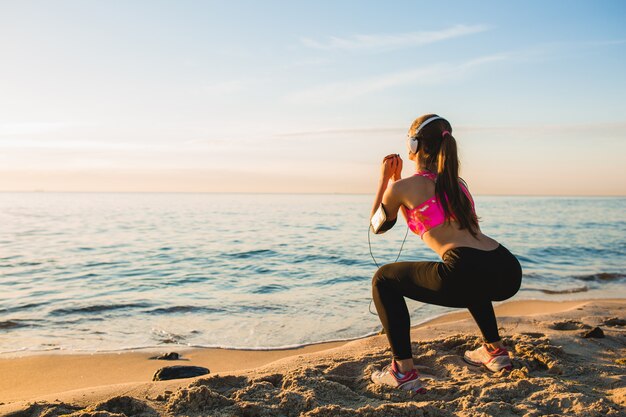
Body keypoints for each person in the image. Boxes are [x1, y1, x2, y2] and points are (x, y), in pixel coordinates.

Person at [368, 114, 523, 393]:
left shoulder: (401, 188)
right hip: (506, 266)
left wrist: (385, 181)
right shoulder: (458, 184)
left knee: (383, 279)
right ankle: (495, 353)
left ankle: (403, 373)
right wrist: (397, 181)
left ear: (414, 146)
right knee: (472, 278)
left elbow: (377, 225)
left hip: (464, 267)